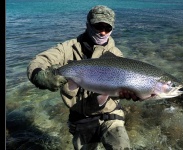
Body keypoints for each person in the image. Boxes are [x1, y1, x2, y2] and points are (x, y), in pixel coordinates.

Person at [27, 5, 140, 150]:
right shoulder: (67, 48)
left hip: (110, 114)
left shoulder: (116, 55)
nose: (103, 32)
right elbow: (37, 62)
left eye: (108, 28)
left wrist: (127, 93)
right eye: (98, 26)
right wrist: (41, 76)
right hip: (80, 119)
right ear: (88, 25)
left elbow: (122, 88)